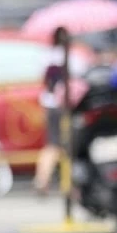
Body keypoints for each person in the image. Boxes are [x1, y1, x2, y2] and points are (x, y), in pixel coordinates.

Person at [33, 27, 71, 196]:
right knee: (69, 145)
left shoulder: (46, 55)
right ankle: (71, 185)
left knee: (53, 144)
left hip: (50, 104)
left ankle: (42, 180)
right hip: (65, 104)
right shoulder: (74, 57)